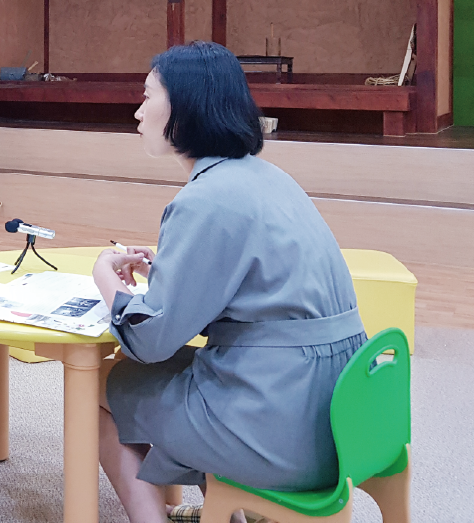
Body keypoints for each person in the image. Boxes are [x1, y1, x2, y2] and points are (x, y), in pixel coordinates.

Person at [91, 41, 367, 523]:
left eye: (148, 95)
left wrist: (104, 276)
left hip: (280, 422)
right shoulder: (270, 178)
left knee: (104, 387)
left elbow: (151, 342)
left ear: (184, 106)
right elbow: (260, 291)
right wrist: (172, 273)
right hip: (343, 413)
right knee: (171, 376)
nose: (138, 111)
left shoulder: (203, 199)